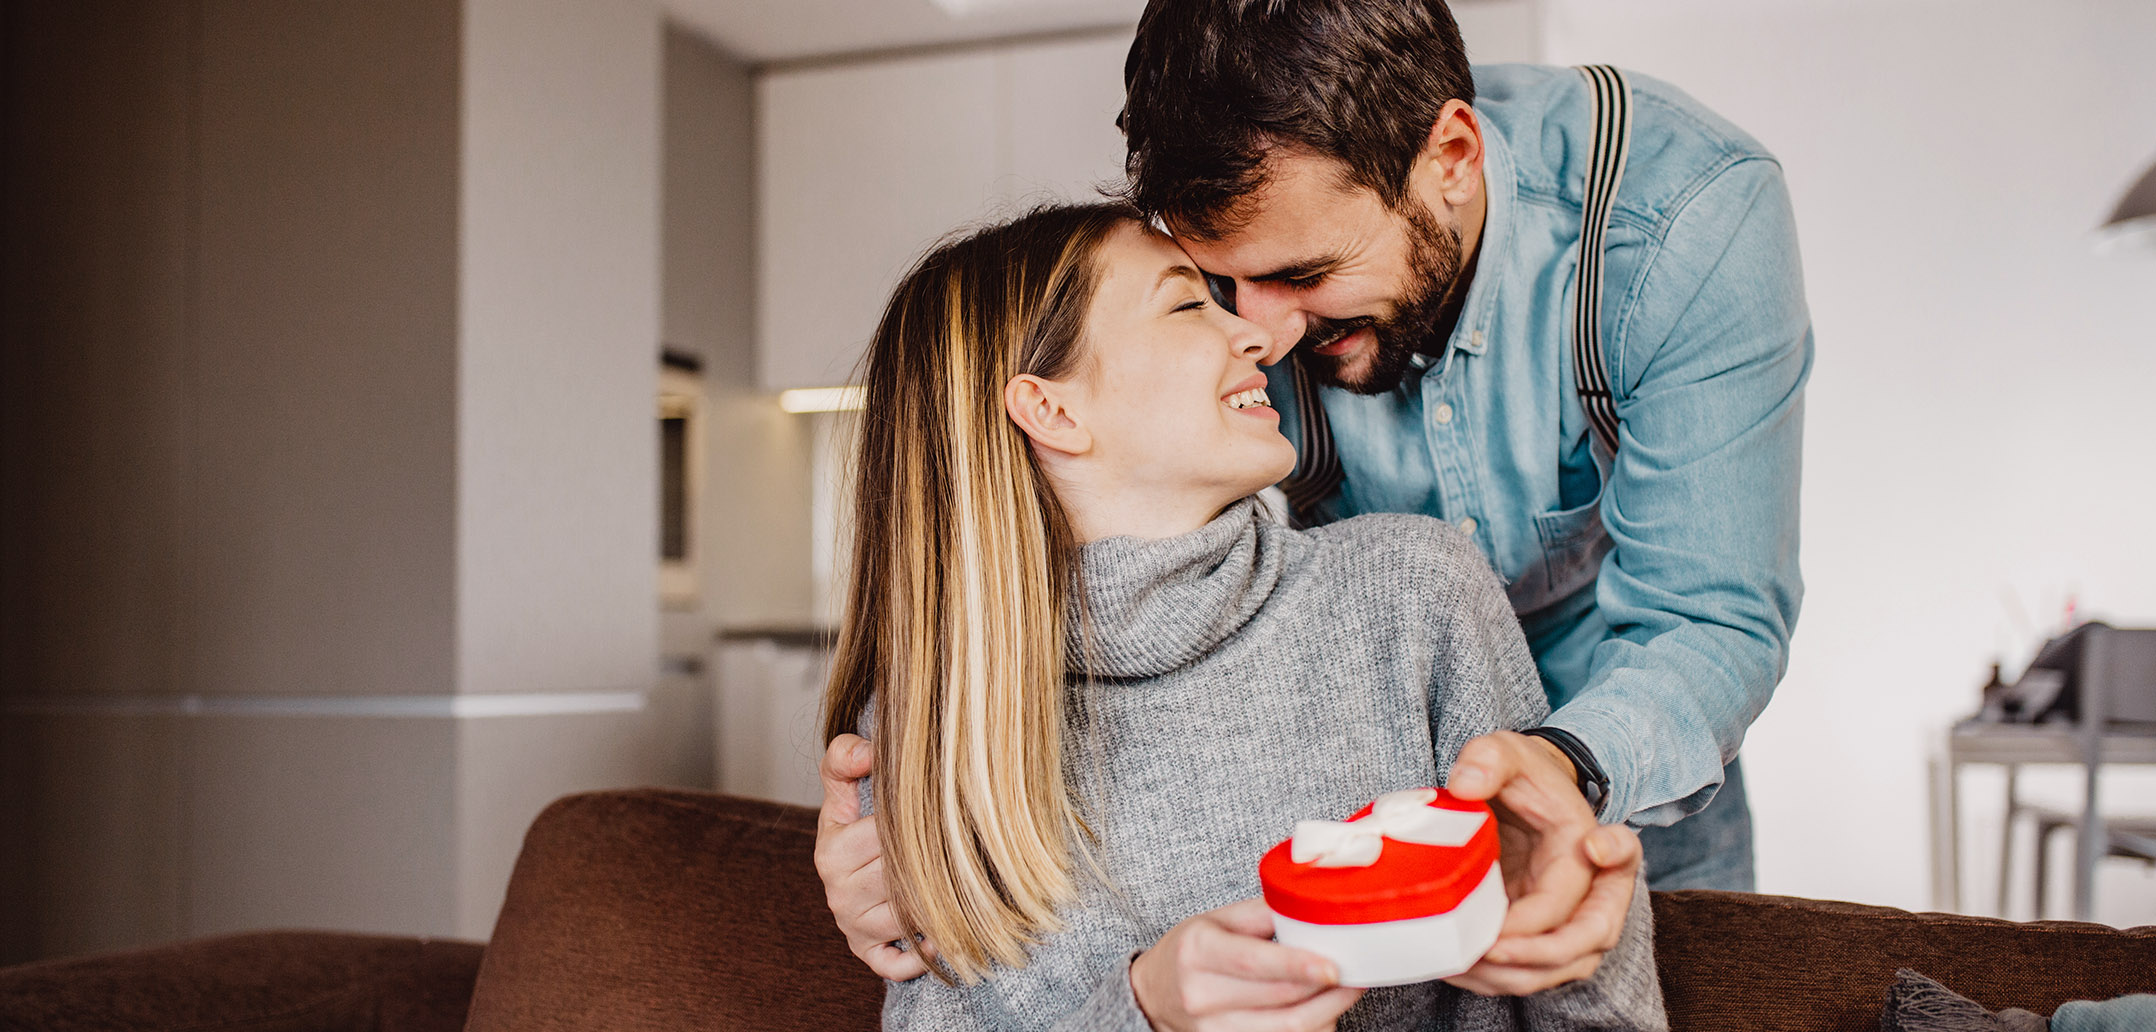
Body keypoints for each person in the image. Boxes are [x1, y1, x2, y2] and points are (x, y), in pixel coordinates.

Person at [819, 0, 1812, 982]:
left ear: (1451, 160)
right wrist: (920, 804)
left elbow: (1707, 617)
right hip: (1355, 788)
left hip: (1627, 750)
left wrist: (1563, 769)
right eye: (1212, 287)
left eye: (1304, 274)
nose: (1262, 331)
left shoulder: (1678, 222)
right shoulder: (1258, 226)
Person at [827, 201, 1665, 1031]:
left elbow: (1588, 1003)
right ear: (1053, 410)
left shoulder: (1410, 593)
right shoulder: (934, 728)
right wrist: (1143, 1014)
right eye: (1190, 303)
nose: (1258, 336)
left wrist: (1587, 913)